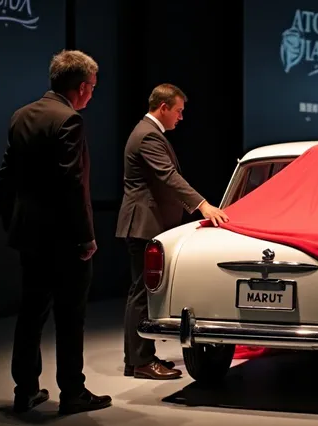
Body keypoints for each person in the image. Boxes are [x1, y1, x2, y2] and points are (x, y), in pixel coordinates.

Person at [0, 50, 112, 415]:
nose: (92, 94)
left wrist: (13, 221)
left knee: (30, 313)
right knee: (70, 316)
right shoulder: (69, 121)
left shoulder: (21, 116)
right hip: (64, 239)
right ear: (80, 87)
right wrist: (86, 237)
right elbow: (72, 184)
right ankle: (73, 392)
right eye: (92, 87)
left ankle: (25, 390)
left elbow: (4, 177)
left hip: (29, 235)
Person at [115, 83, 229, 380]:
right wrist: (203, 206)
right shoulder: (148, 135)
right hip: (144, 223)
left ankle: (140, 358)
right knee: (142, 293)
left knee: (143, 292)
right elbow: (168, 177)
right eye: (178, 111)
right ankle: (140, 361)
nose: (181, 117)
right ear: (163, 107)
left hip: (147, 222)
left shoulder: (149, 132)